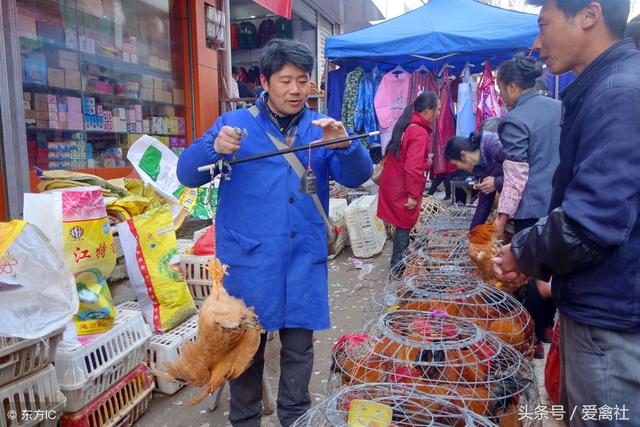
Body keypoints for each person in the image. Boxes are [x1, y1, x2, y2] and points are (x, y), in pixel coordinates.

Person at [177, 39, 373, 427]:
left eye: (302, 80)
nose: (296, 89)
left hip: (303, 261)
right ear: (264, 81)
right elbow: (186, 173)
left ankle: (295, 417)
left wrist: (344, 145)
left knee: (299, 348)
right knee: (245, 352)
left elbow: (359, 176)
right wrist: (213, 148)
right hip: (250, 263)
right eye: (286, 80)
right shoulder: (236, 126)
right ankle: (245, 420)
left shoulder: (322, 126)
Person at [493, 0, 640, 423]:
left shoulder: (619, 94)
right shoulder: (604, 87)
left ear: (590, 16)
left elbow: (590, 223)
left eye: (544, 25)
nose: (538, 43)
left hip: (610, 322)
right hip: (602, 305)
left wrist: (522, 254)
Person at [493, 55, 562, 359]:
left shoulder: (515, 119)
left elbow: (516, 176)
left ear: (511, 86)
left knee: (531, 270)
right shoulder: (559, 107)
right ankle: (547, 326)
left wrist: (501, 217)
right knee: (553, 268)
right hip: (559, 204)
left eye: (500, 90)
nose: (501, 96)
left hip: (531, 206)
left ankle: (530, 334)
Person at [377, 92, 441, 274]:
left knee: (402, 224)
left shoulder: (410, 124)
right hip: (402, 185)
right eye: (437, 110)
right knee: (404, 224)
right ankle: (397, 268)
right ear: (428, 110)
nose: (438, 114)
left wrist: (425, 162)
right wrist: (413, 195)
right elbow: (412, 168)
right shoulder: (419, 131)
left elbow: (406, 157)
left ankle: (401, 263)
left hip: (394, 181)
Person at [444, 127, 505, 230]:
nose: (458, 168)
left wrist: (496, 182)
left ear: (463, 155)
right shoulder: (480, 166)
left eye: (456, 164)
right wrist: (473, 232)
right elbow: (484, 202)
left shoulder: (496, 146)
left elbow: (523, 172)